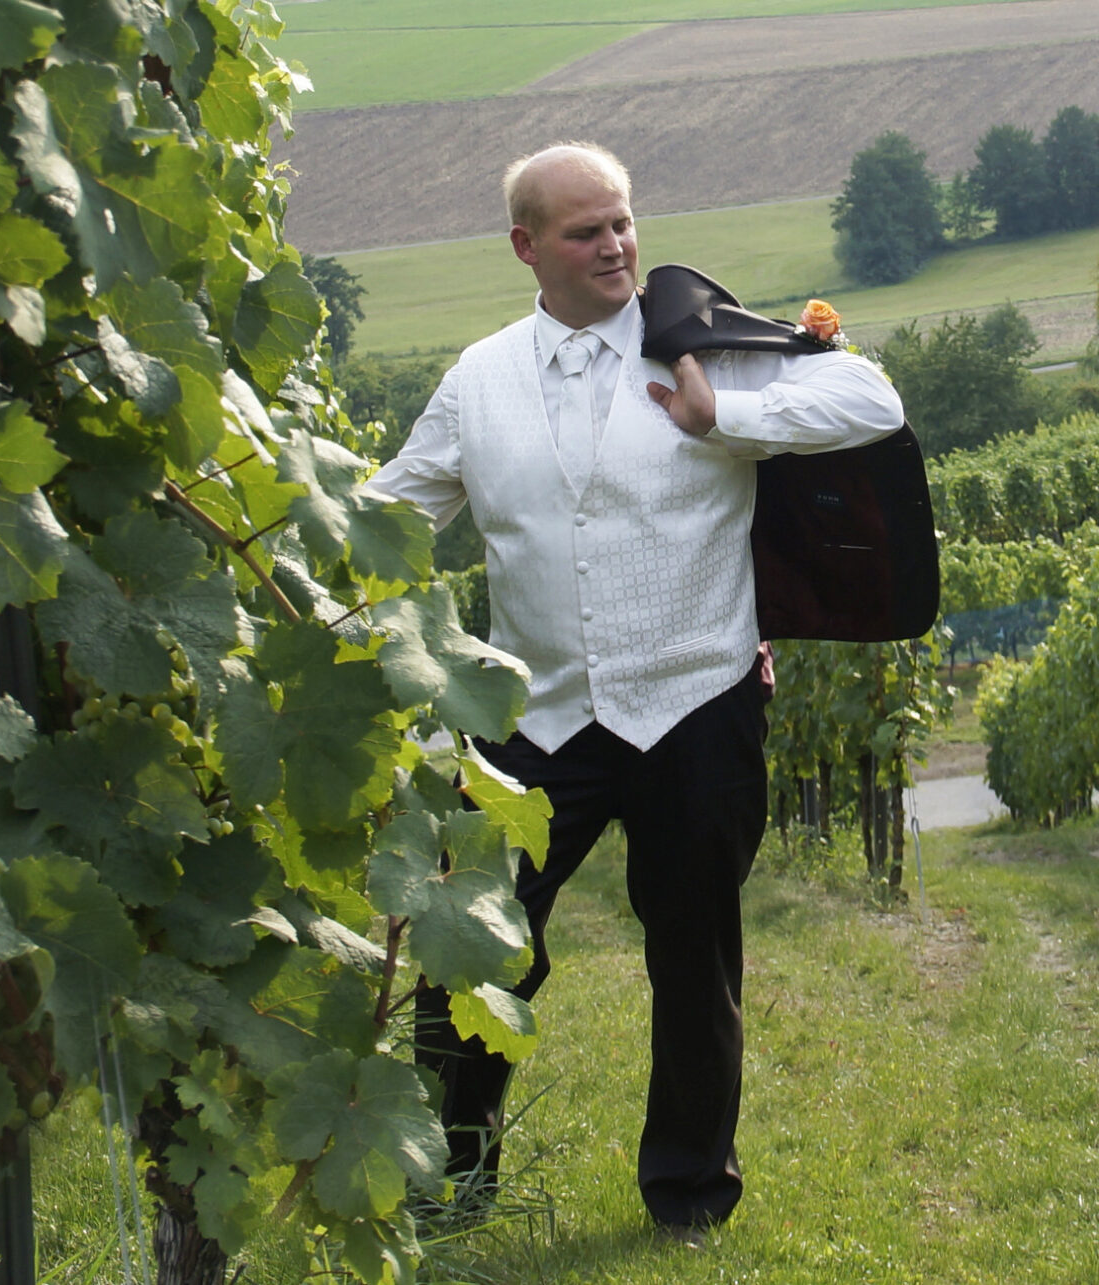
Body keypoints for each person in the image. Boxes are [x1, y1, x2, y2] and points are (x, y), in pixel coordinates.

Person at [365, 143, 902, 1237]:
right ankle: (450, 1183)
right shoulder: (476, 381)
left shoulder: (704, 351)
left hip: (696, 702)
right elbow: (390, 513)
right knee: (475, 950)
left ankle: (688, 1197)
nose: (613, 246)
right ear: (527, 248)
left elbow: (869, 394)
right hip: (534, 719)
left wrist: (729, 420)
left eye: (621, 223)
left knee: (693, 958)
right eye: (583, 230)